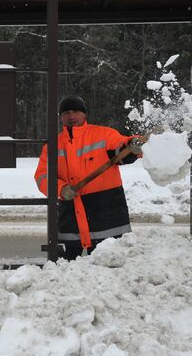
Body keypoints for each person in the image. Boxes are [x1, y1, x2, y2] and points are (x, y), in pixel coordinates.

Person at [34, 95, 142, 260]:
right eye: (66, 113)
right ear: (61, 117)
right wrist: (61, 189)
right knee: (64, 272)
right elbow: (42, 176)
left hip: (107, 219)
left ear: (84, 114)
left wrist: (132, 145)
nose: (71, 116)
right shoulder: (52, 147)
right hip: (70, 219)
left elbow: (121, 149)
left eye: (76, 111)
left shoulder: (103, 135)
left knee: (109, 272)